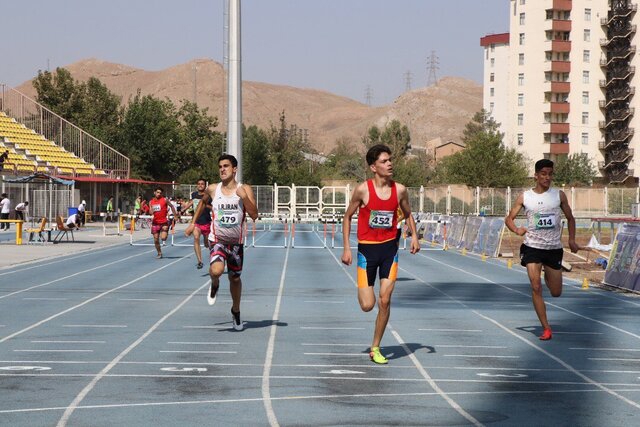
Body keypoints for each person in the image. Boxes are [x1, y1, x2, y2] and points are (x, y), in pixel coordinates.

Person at [341, 144, 420, 364]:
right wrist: (347, 247)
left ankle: (375, 347)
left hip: (389, 250)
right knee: (368, 305)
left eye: (390, 160)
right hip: (366, 251)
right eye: (384, 161)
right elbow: (347, 217)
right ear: (373, 167)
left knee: (385, 300)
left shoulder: (400, 190)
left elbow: (408, 213)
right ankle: (364, 292)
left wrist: (414, 236)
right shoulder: (362, 190)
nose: (390, 164)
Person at [505, 158, 578, 341]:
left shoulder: (559, 196)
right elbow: (509, 218)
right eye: (543, 174)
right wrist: (516, 229)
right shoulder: (525, 197)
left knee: (556, 292)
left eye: (550, 174)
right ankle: (546, 328)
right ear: (536, 176)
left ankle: (549, 270)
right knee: (536, 286)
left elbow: (570, 218)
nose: (547, 178)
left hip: (553, 248)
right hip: (532, 247)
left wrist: (572, 240)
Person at [185, 154, 258, 331]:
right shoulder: (212, 189)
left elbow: (254, 215)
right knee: (217, 270)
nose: (222, 169)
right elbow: (201, 203)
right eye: (220, 166)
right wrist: (193, 222)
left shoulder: (244, 189)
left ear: (234, 169)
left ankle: (236, 311)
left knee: (235, 278)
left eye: (226, 166)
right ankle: (215, 282)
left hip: (236, 243)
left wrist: (244, 198)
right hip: (217, 239)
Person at [180, 179, 212, 270]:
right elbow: (192, 202)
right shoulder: (194, 194)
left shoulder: (208, 195)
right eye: (199, 184)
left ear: (205, 185)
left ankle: (214, 258)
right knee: (196, 238)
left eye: (202, 184)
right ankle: (200, 261)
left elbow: (212, 208)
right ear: (197, 185)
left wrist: (204, 204)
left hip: (206, 222)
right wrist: (183, 210)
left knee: (207, 244)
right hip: (196, 222)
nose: (200, 185)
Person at [149, 187, 178, 259]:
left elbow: (171, 206)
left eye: (160, 193)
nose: (159, 194)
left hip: (164, 222)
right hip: (155, 223)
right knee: (156, 240)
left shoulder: (165, 200)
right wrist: (151, 211)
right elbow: (150, 212)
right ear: (154, 193)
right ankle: (159, 253)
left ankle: (165, 232)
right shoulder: (151, 202)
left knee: (163, 238)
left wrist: (175, 215)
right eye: (157, 192)